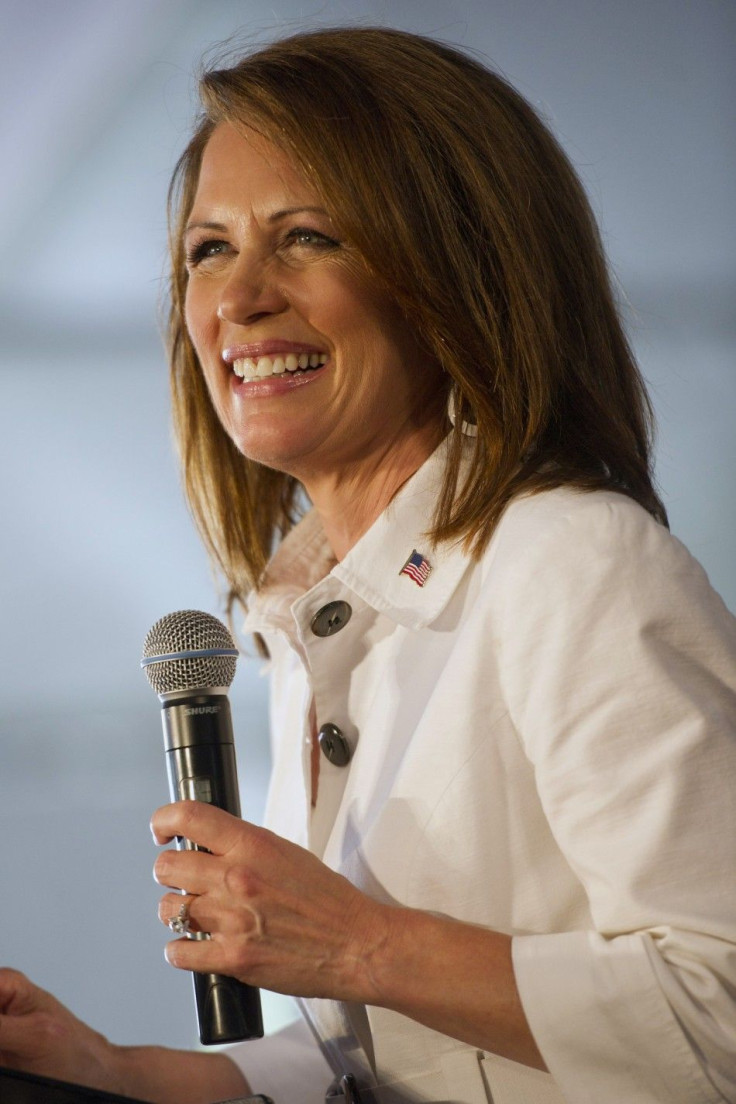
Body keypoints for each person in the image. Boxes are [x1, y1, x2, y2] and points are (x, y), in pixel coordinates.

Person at [1, 24, 735, 1104]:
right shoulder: (317, 614)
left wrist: (359, 948)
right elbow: (404, 1056)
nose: (239, 298)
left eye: (305, 237)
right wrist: (118, 1072)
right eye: (209, 250)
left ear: (455, 273)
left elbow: (717, 1008)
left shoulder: (576, 564)